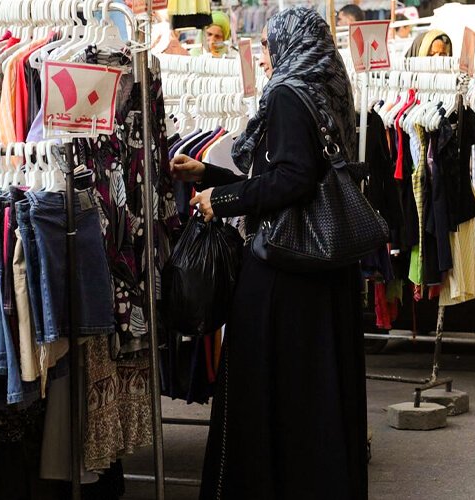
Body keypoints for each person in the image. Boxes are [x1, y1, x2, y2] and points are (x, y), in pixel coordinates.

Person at [170, 7, 368, 499]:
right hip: (324, 266)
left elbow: (293, 180)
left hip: (285, 270)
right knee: (316, 395)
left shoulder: (285, 94)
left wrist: (224, 200)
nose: (262, 60)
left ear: (287, 45)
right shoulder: (329, 91)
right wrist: (211, 176)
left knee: (267, 391)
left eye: (266, 48)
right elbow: (299, 174)